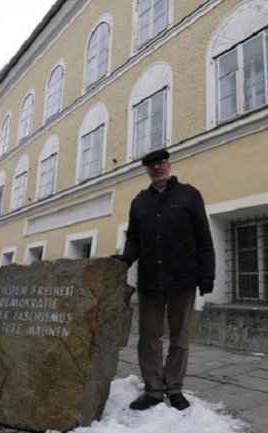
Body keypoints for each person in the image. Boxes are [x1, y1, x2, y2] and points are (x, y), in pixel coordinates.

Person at [115, 148, 215, 411]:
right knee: (148, 338)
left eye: (160, 164)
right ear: (147, 171)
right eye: (152, 166)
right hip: (150, 280)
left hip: (182, 278)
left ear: (168, 165)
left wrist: (207, 274)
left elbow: (204, 237)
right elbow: (134, 238)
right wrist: (125, 259)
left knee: (179, 337)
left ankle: (174, 388)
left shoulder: (189, 195)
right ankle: (153, 390)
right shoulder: (139, 202)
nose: (157, 169)